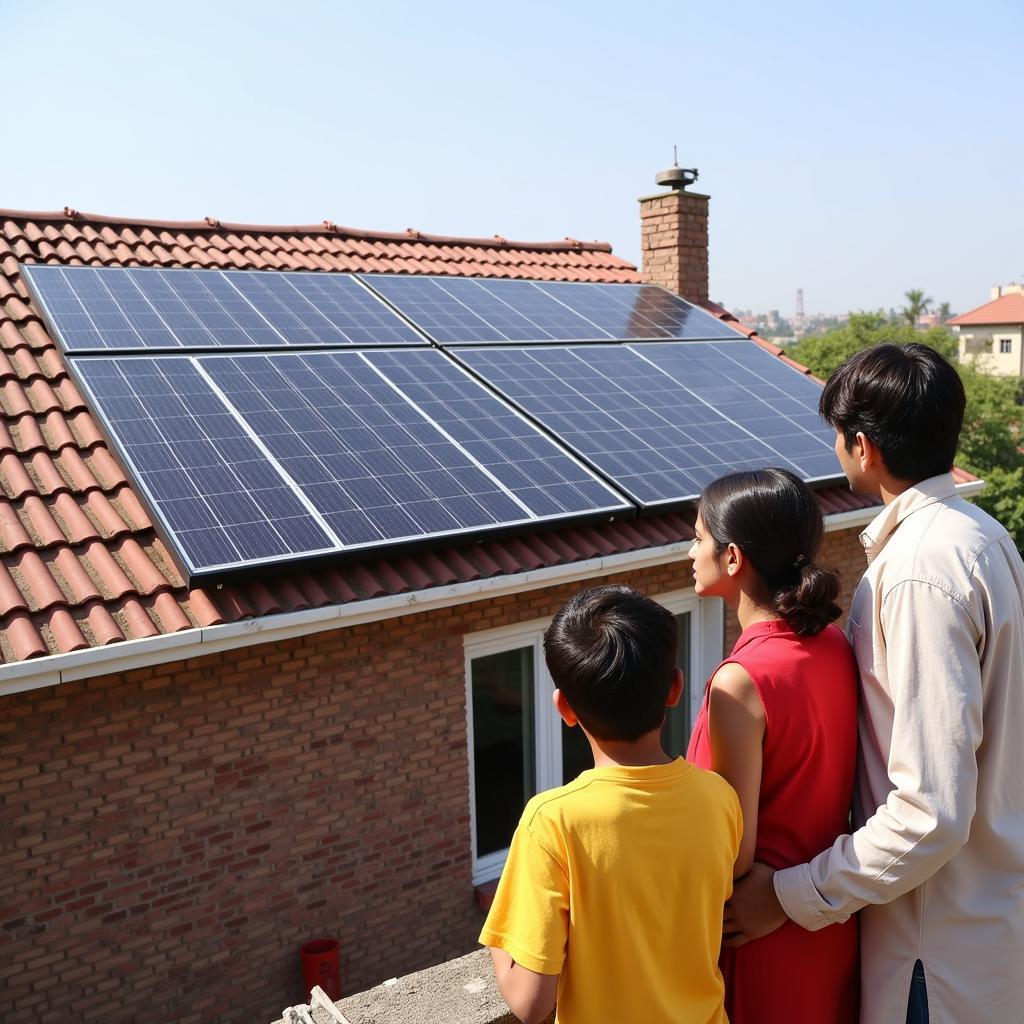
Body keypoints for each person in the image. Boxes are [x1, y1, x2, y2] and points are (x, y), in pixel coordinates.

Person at [725, 343, 1024, 1024]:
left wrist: (789, 895)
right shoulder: (982, 536)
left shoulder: (921, 571)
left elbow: (929, 813)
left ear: (863, 448)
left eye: (837, 434)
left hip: (934, 962)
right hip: (979, 933)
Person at [479, 585, 741, 1024]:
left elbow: (530, 1002)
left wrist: (500, 935)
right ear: (674, 688)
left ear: (564, 708)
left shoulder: (553, 822)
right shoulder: (720, 798)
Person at [686, 467, 859, 1023]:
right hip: (828, 925)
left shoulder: (743, 680)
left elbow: (731, 851)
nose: (689, 551)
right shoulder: (833, 644)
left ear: (733, 558)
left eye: (698, 537)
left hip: (760, 940)